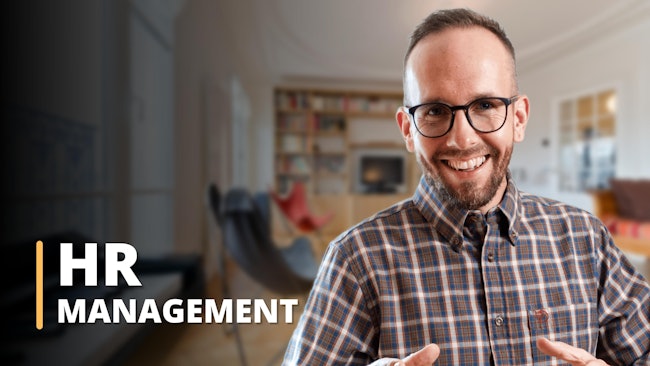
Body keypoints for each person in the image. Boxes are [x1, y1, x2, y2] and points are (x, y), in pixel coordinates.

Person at [282, 8, 650, 366]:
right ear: (408, 129)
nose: (462, 138)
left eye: (486, 104)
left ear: (518, 119)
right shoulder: (355, 260)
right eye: (435, 110)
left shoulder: (587, 238)